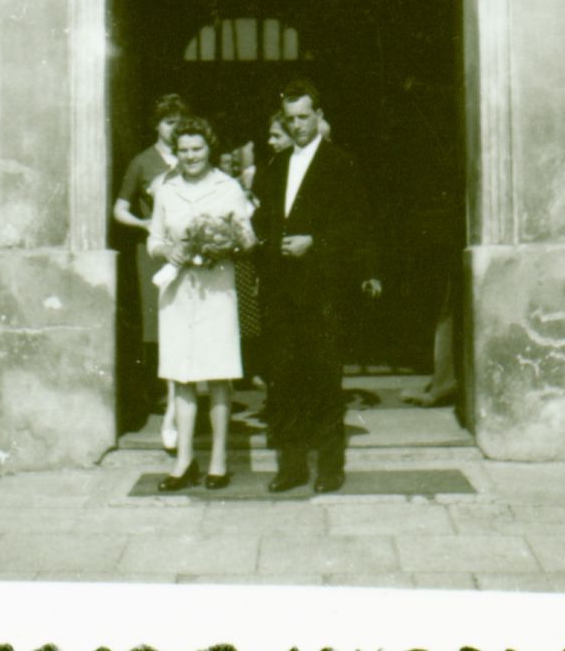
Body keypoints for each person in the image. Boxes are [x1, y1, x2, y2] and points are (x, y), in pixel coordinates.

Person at [253, 79, 381, 494]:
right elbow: (261, 222)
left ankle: (330, 465)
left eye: (304, 117)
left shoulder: (341, 164)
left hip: (324, 289)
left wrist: (314, 243)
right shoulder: (275, 166)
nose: (298, 126)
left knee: (324, 379)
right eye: (290, 119)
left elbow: (356, 226)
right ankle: (291, 465)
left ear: (319, 116)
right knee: (283, 378)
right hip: (280, 291)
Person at [147, 116, 256, 491]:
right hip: (178, 292)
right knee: (181, 376)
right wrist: (168, 250)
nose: (190, 156)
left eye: (197, 149)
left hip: (216, 291)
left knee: (218, 374)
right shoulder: (167, 190)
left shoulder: (228, 188)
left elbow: (247, 237)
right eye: (183, 150)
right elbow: (153, 240)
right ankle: (184, 461)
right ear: (175, 153)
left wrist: (225, 242)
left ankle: (218, 461)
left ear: (209, 149)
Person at [114, 93, 189, 449]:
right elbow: (120, 208)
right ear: (156, 125)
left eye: (179, 122)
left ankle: (182, 401)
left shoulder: (191, 156)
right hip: (154, 254)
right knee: (159, 325)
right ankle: (166, 398)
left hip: (187, 251)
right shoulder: (142, 162)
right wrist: (144, 223)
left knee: (185, 322)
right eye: (169, 123)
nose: (175, 129)